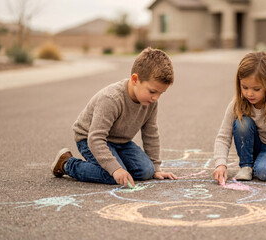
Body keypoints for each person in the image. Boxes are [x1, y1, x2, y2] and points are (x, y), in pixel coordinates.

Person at [51, 47, 178, 187]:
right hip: (90, 139)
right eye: (153, 91)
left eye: (161, 93)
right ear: (135, 79)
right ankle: (67, 164)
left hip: (121, 142)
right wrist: (116, 169)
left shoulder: (150, 102)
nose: (156, 98)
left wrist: (156, 168)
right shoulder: (111, 99)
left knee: (147, 171)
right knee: (112, 176)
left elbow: (151, 134)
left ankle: (117, 165)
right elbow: (95, 139)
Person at [213, 51, 266, 186]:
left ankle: (260, 163)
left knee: (263, 173)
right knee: (242, 122)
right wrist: (220, 164)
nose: (249, 93)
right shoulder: (237, 103)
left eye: (256, 89)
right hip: (251, 146)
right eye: (244, 87)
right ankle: (246, 165)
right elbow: (223, 136)